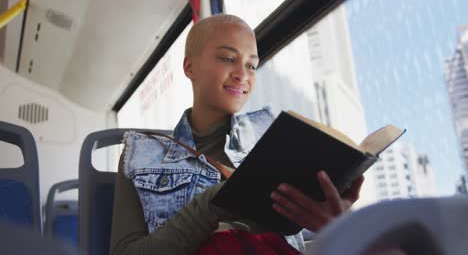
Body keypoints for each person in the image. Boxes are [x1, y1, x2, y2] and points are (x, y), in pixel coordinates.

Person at [110, 14, 364, 255]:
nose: (242, 75)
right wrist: (212, 203)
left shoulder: (278, 136)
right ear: (190, 66)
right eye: (227, 59)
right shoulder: (140, 154)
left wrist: (336, 224)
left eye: (251, 65)